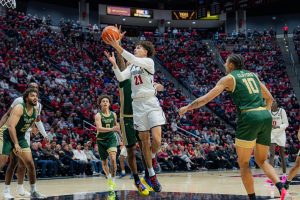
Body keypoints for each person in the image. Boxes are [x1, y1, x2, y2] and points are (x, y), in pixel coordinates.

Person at [178, 54, 287, 200]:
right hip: (265, 116)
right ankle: (281, 188)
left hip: (249, 116)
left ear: (230, 65)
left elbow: (206, 99)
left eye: (225, 63)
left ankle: (252, 198)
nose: (224, 65)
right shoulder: (252, 75)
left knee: (243, 163)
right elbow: (270, 98)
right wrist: (263, 114)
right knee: (262, 161)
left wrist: (187, 107)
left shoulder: (228, 78)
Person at [104, 34, 166, 192]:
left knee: (157, 139)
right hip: (137, 105)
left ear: (146, 51)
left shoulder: (148, 62)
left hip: (151, 103)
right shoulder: (131, 66)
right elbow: (121, 78)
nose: (136, 49)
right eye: (135, 47)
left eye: (139, 47)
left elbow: (131, 57)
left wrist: (118, 46)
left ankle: (152, 158)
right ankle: (151, 174)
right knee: (144, 141)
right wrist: (114, 65)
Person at [0, 83, 48, 198]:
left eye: (36, 92)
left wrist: (35, 130)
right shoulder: (18, 104)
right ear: (27, 95)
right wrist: (15, 143)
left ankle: (33, 191)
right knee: (4, 162)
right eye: (32, 93)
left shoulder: (37, 107)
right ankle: (6, 191)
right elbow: (10, 123)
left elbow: (35, 120)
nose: (35, 95)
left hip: (21, 135)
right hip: (7, 134)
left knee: (29, 164)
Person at [94, 95, 120, 191]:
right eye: (103, 101)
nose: (105, 102)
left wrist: (121, 139)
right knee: (104, 162)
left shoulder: (113, 115)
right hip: (101, 141)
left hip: (111, 139)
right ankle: (108, 177)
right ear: (100, 103)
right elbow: (99, 128)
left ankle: (113, 180)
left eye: (107, 101)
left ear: (109, 103)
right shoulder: (98, 115)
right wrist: (111, 129)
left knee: (113, 159)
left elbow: (116, 127)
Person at [269, 101, 289, 179]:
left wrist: (277, 127)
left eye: (273, 103)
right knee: (271, 154)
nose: (272, 105)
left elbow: (286, 124)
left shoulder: (282, 111)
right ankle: (271, 174)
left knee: (282, 155)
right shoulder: (268, 111)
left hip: (280, 133)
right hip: (272, 133)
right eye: (271, 104)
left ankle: (284, 173)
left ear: (277, 105)